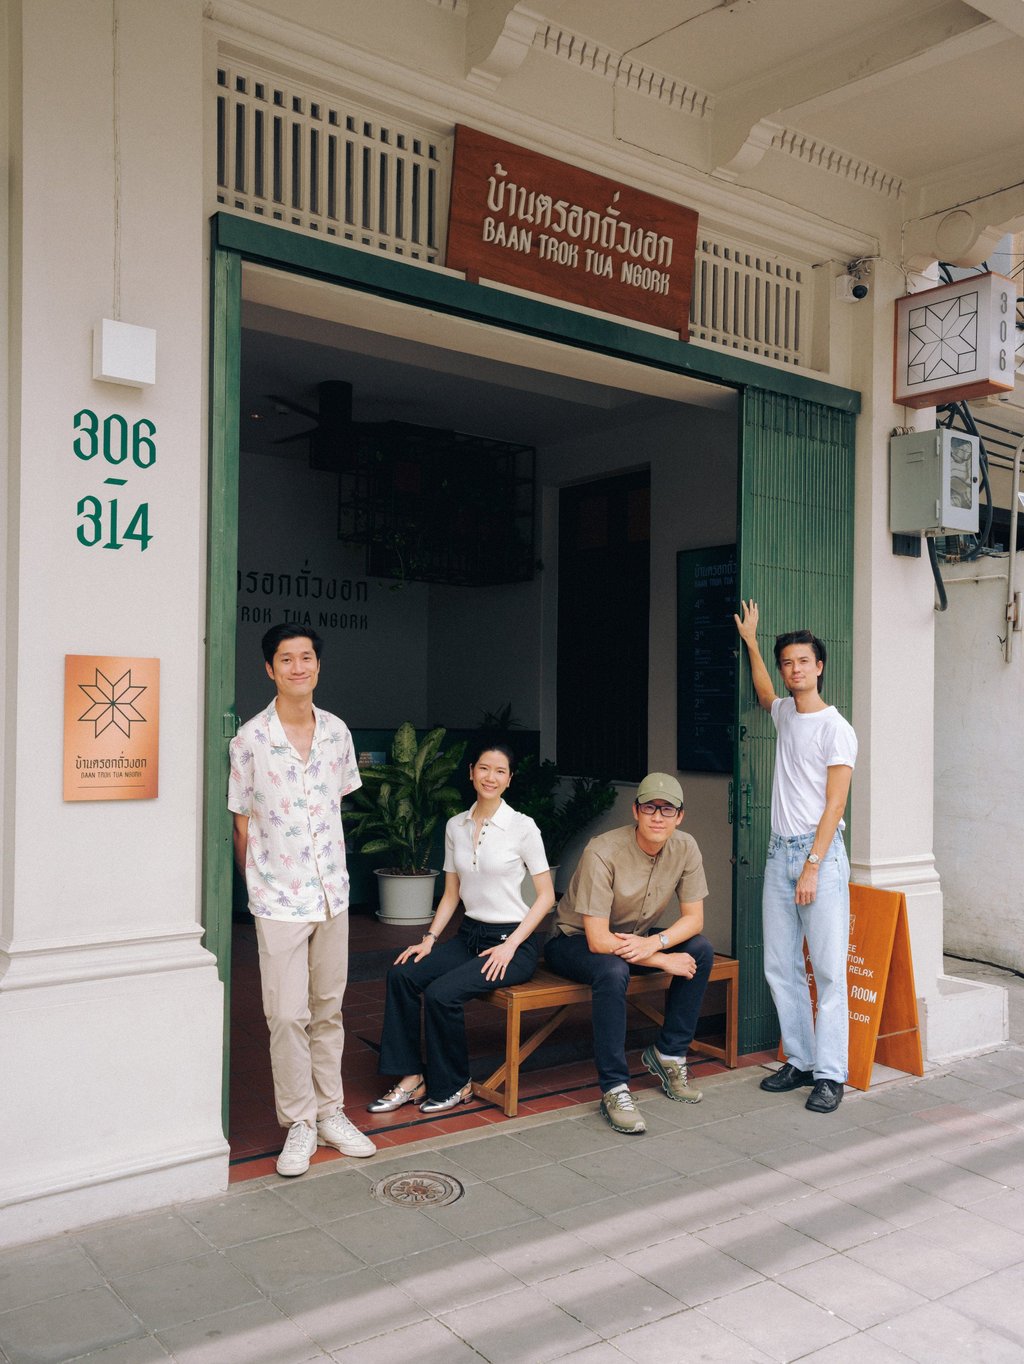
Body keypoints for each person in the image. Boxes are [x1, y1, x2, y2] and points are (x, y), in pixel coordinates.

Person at [228, 624, 377, 1176]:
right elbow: (241, 825)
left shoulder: (337, 733)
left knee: (328, 1011)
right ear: (269, 669)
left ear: (318, 666)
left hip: (332, 893)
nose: (298, 667)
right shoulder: (248, 741)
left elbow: (335, 808)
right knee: (286, 1015)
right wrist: (259, 887)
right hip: (278, 899)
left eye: (306, 658)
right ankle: (299, 1123)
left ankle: (331, 1111)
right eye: (286, 659)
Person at [369, 743, 555, 1114]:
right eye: (484, 768)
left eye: (500, 771)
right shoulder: (456, 825)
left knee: (441, 994)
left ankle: (456, 1084)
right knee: (403, 974)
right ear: (471, 771)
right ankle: (411, 1077)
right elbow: (452, 893)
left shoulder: (522, 828)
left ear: (509, 779)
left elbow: (546, 896)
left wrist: (511, 945)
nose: (491, 777)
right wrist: (429, 940)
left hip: (512, 944)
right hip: (469, 936)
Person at [734, 600, 857, 1114]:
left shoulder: (837, 729)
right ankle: (801, 1061)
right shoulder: (784, 712)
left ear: (820, 667)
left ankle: (831, 1075)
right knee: (781, 966)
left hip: (818, 859)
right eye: (788, 663)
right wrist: (753, 643)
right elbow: (764, 693)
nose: (793, 670)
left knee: (828, 972)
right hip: (778, 853)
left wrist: (811, 864)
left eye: (802, 661)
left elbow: (835, 803)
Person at [544, 773, 714, 1136]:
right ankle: (615, 1087)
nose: (658, 816)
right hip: (573, 941)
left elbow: (694, 920)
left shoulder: (686, 847)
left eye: (667, 810)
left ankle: (669, 1053)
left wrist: (656, 943)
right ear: (635, 810)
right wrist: (661, 958)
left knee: (700, 950)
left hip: (634, 939)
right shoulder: (602, 851)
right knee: (612, 972)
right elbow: (597, 941)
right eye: (650, 807)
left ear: (679, 816)